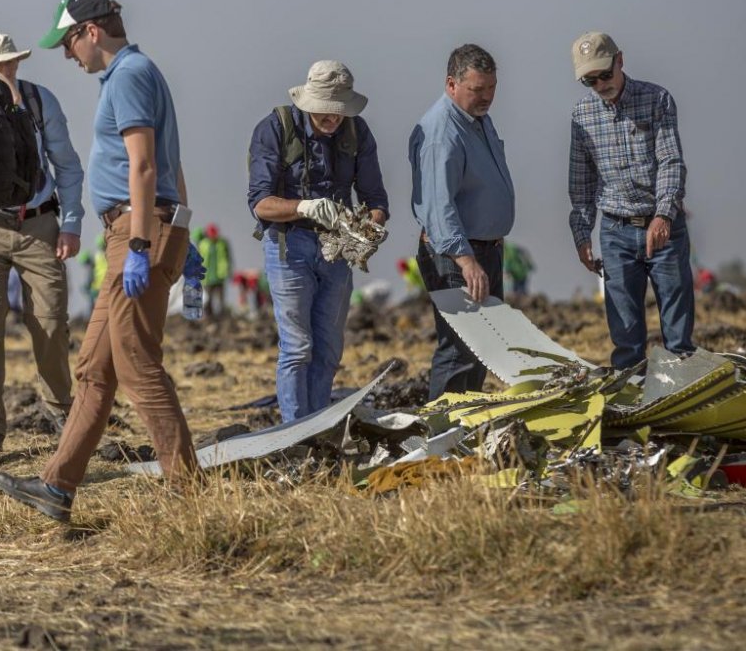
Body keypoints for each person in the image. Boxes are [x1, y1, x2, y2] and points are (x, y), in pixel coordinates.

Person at [0, 0, 205, 521]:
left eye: (68, 42)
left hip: (134, 230)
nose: (67, 55)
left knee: (136, 364)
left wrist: (139, 243)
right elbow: (165, 164)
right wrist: (181, 226)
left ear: (91, 31)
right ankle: (57, 487)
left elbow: (145, 166)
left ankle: (192, 495)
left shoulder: (130, 76)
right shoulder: (134, 74)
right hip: (145, 224)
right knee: (93, 368)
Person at [0, 32, 86, 453]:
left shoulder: (39, 101)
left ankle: (61, 410)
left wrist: (71, 224)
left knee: (51, 323)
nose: (7, 70)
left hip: (39, 224)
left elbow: (67, 165)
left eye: (12, 62)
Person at [248, 61, 389, 423]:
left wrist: (367, 230)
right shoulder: (276, 129)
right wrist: (304, 207)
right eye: (325, 111)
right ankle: (295, 434)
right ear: (308, 102)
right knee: (297, 348)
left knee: (327, 349)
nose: (332, 118)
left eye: (339, 111)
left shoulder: (357, 132)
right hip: (289, 246)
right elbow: (260, 203)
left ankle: (318, 430)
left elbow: (376, 200)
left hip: (337, 249)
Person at [568, 31, 695, 371]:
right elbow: (581, 184)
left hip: (663, 229)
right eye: (590, 80)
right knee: (626, 337)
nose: (600, 84)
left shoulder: (658, 100)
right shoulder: (581, 116)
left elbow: (671, 161)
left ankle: (681, 396)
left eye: (605, 75)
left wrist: (664, 215)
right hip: (615, 233)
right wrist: (582, 234)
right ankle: (633, 398)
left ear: (620, 61)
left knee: (678, 335)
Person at [409, 44, 514, 400]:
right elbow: (438, 207)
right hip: (455, 255)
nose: (486, 97)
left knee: (481, 348)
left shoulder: (477, 119)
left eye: (491, 88)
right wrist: (467, 261)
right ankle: (444, 433)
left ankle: (466, 429)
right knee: (458, 349)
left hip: (484, 249)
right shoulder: (442, 132)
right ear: (452, 84)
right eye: (476, 89)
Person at [197, 223, 233, 319]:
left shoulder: (222, 243)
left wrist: (228, 271)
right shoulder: (203, 244)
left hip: (219, 275)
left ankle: (221, 316)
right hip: (207, 276)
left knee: (220, 298)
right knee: (208, 299)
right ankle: (209, 317)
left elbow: (228, 258)